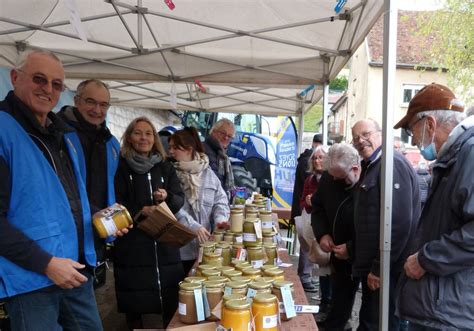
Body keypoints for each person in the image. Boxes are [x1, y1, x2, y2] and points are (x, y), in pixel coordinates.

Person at [0, 50, 103, 329]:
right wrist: (46, 263)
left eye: (56, 84)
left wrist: (97, 215)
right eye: (39, 79)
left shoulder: (62, 135)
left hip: (73, 269)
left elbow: (65, 198)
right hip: (31, 281)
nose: (48, 89)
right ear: (14, 77)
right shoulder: (3, 129)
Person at [394, 83, 473, 330]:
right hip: (442, 307)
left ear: (429, 124)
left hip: (449, 312)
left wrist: (426, 259)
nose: (414, 139)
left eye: (411, 130)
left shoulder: (468, 154)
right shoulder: (454, 157)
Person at [113, 116, 185, 329]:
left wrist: (166, 198)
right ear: (129, 137)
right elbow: (116, 201)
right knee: (134, 300)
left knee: (169, 299)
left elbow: (179, 198)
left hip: (163, 241)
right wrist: (140, 211)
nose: (143, 138)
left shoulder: (165, 167)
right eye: (138, 133)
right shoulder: (121, 166)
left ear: (154, 138)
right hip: (133, 243)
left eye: (148, 133)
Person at [351, 119, 421, 331]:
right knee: (371, 320)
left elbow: (399, 223)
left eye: (366, 134)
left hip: (388, 271)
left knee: (381, 323)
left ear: (381, 134)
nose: (361, 141)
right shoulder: (373, 165)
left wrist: (379, 268)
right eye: (356, 138)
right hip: (378, 268)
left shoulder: (392, 164)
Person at [58, 79, 121, 288]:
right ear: (77, 101)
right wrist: (92, 213)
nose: (97, 110)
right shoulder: (58, 135)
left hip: (97, 235)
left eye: (103, 105)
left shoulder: (111, 143)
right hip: (65, 240)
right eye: (90, 102)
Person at [312, 143, 361, 330]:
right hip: (338, 255)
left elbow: (373, 226)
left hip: (363, 253)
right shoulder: (329, 176)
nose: (334, 179)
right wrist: (322, 234)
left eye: (340, 177)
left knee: (369, 311)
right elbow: (318, 208)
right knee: (340, 302)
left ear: (355, 169)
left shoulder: (369, 180)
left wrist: (352, 248)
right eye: (331, 175)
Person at [168, 127, 230, 275]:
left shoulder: (208, 173)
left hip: (204, 247)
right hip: (178, 249)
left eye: (175, 148)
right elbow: (171, 207)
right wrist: (193, 226)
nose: (170, 151)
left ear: (189, 149)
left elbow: (220, 200)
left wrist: (220, 219)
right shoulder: (169, 173)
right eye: (169, 147)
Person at [291, 133, 323, 293]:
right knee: (308, 247)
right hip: (310, 219)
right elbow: (304, 199)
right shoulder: (310, 177)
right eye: (315, 158)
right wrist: (309, 203)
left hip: (319, 222)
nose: (317, 161)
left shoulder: (328, 178)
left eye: (321, 158)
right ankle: (305, 277)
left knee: (320, 255)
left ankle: (313, 280)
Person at [203, 118, 235, 196]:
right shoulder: (203, 149)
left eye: (229, 136)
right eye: (223, 133)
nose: (226, 138)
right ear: (213, 131)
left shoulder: (222, 155)